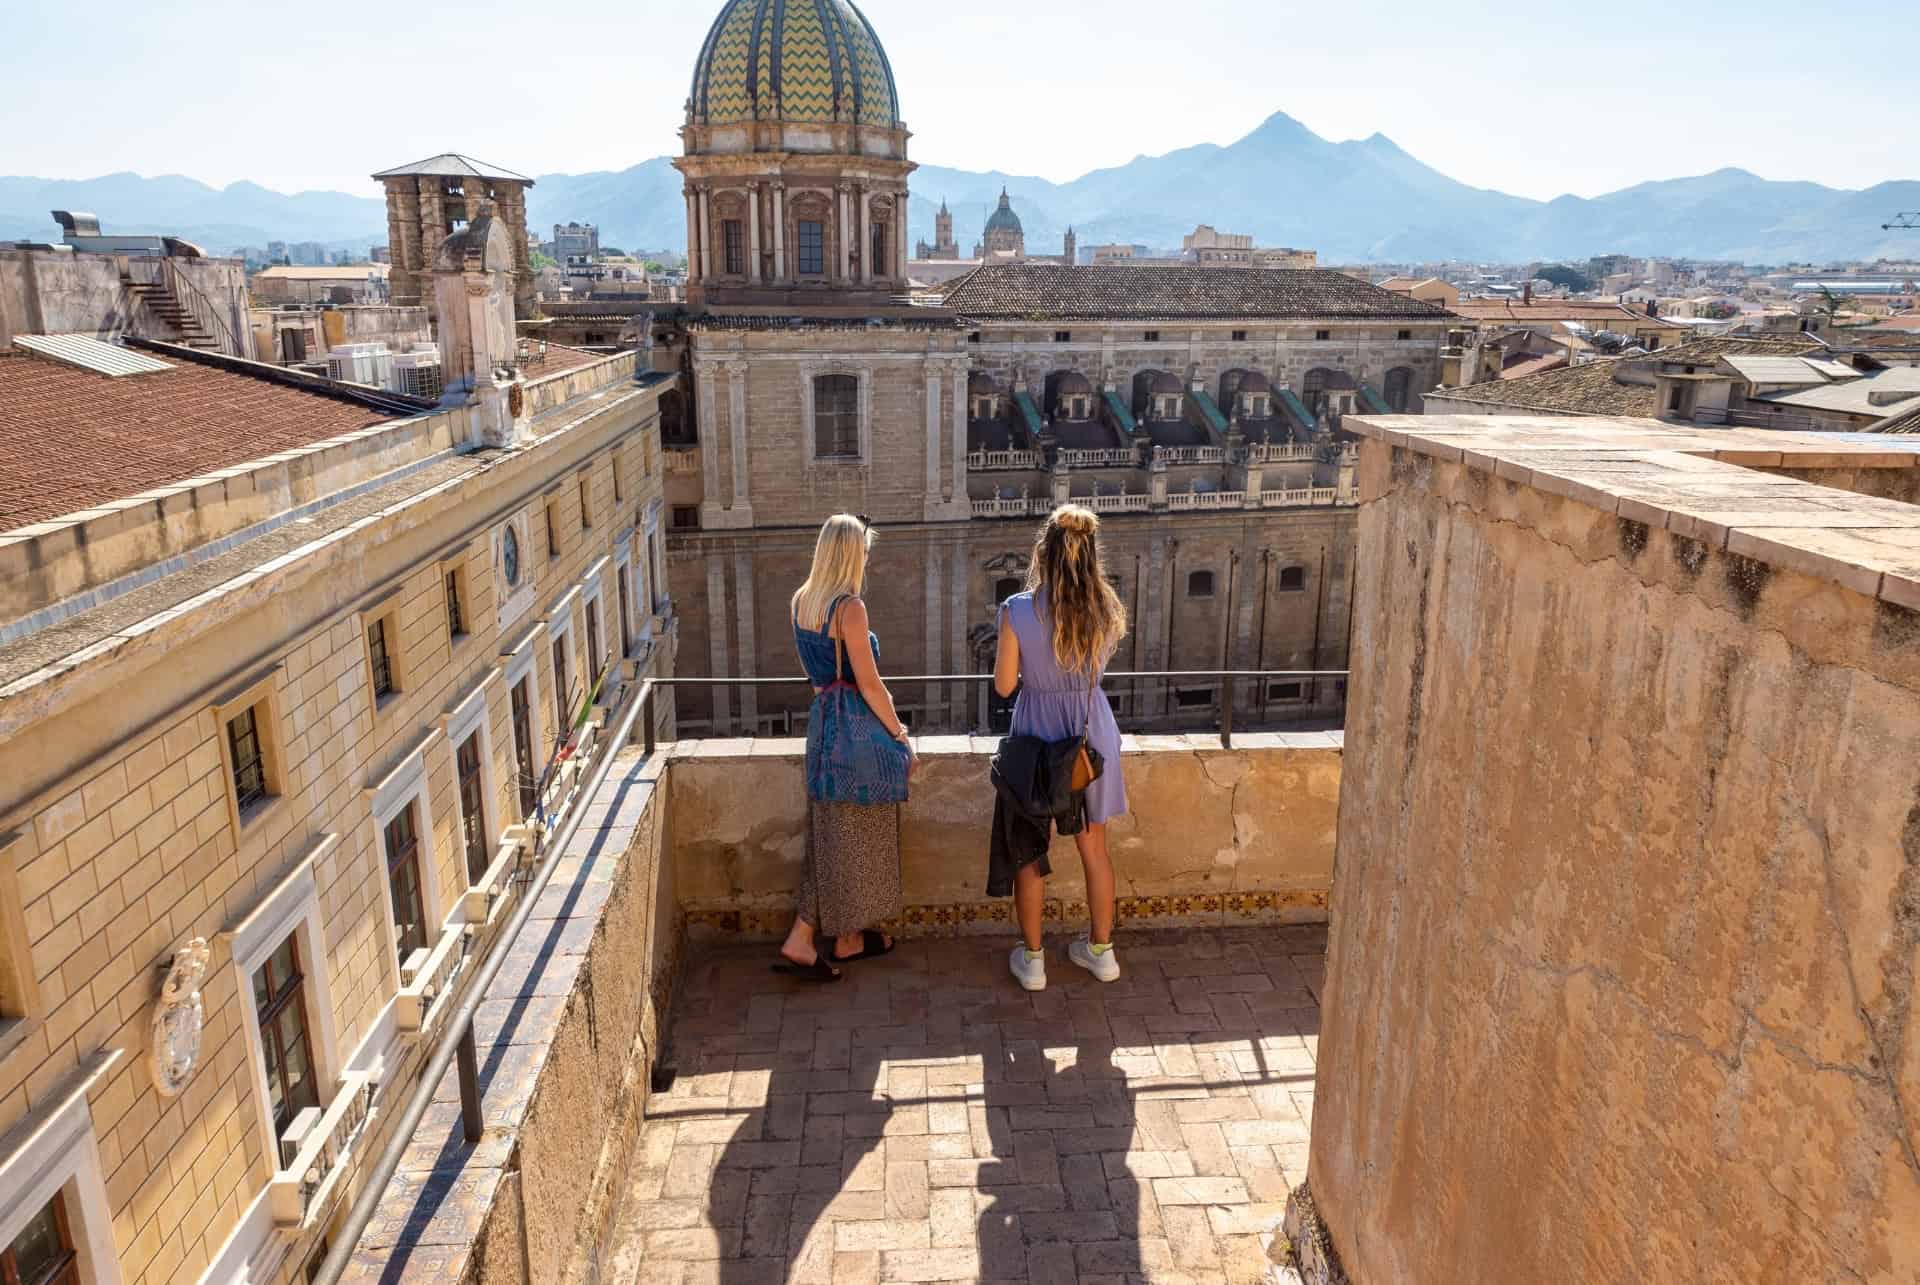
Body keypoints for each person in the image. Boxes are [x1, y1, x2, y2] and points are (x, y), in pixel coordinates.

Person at [992, 504, 1129, 991]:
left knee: (1030, 850)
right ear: (1090, 555)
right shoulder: (1106, 608)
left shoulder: (1017, 610)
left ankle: (1033, 961)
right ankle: (1102, 952)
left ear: (1042, 554)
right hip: (1091, 738)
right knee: (1095, 850)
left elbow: (1004, 686)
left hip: (1037, 737)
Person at [776, 514, 913, 981]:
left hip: (822, 729)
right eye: (865, 553)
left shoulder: (801, 602)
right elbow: (871, 686)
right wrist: (900, 737)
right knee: (855, 837)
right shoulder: (849, 609)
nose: (868, 560)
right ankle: (836, 937)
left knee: (829, 835)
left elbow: (818, 680)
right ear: (852, 555)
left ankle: (827, 937)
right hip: (857, 736)